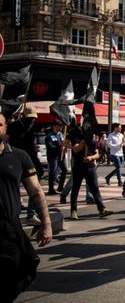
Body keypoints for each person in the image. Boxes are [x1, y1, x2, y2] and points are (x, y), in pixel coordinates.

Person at [0, 113, 52, 301]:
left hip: (10, 228)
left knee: (24, 266)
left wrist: (46, 224)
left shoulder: (19, 157)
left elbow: (36, 192)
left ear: (5, 128)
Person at [66, 127, 113, 220]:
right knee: (75, 189)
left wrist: (91, 158)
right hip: (78, 167)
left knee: (95, 188)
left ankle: (101, 209)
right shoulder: (76, 137)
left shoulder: (92, 139)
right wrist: (83, 141)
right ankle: (73, 211)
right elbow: (75, 149)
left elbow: (97, 153)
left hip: (90, 167)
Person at [7, 106, 43, 225]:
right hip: (16, 157)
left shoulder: (33, 125)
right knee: (13, 185)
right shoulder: (14, 126)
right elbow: (7, 138)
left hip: (30, 158)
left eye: (33, 118)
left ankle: (31, 214)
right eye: (30, 117)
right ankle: (15, 213)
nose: (32, 120)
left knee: (35, 184)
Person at [45, 122, 65, 195]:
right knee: (52, 173)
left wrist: (64, 147)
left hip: (61, 156)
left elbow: (64, 143)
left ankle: (60, 186)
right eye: (59, 126)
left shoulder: (61, 135)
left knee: (65, 170)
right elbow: (50, 147)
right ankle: (51, 189)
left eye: (61, 126)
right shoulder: (49, 136)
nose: (60, 128)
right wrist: (60, 147)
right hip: (53, 157)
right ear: (54, 126)